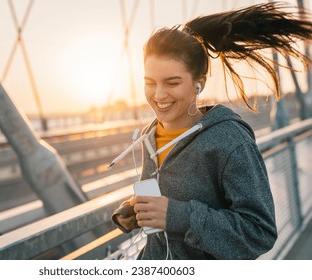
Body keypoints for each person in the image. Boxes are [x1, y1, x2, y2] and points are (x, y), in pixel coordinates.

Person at [111, 2, 312, 260]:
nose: (158, 95)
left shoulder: (230, 140)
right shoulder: (151, 136)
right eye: (150, 83)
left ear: (199, 84)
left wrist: (177, 216)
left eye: (172, 82)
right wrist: (137, 210)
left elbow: (259, 232)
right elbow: (172, 202)